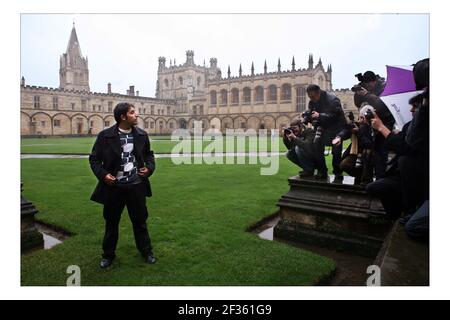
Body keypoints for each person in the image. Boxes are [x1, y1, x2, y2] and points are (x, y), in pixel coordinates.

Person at [89, 102, 157, 268]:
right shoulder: (106, 136)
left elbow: (149, 156)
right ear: (123, 117)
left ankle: (146, 252)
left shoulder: (141, 134)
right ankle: (108, 255)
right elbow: (94, 159)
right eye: (133, 113)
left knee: (140, 221)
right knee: (111, 223)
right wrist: (104, 175)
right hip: (114, 188)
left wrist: (149, 169)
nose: (137, 115)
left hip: (136, 186)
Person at [352, 71, 396, 179]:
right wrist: (358, 93)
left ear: (374, 81)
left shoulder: (384, 86)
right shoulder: (367, 88)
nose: (368, 87)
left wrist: (367, 94)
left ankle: (381, 178)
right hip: (372, 123)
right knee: (373, 152)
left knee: (381, 153)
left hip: (385, 123)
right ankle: (371, 177)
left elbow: (381, 105)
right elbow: (358, 103)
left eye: (368, 84)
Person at [306, 84, 347, 182]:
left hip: (336, 128)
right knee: (317, 146)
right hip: (323, 128)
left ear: (318, 92)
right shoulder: (313, 101)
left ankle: (338, 172)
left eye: (312, 97)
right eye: (309, 97)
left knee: (336, 151)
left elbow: (336, 115)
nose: (311, 99)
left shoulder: (332, 99)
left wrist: (320, 115)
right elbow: (312, 114)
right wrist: (307, 117)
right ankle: (322, 171)